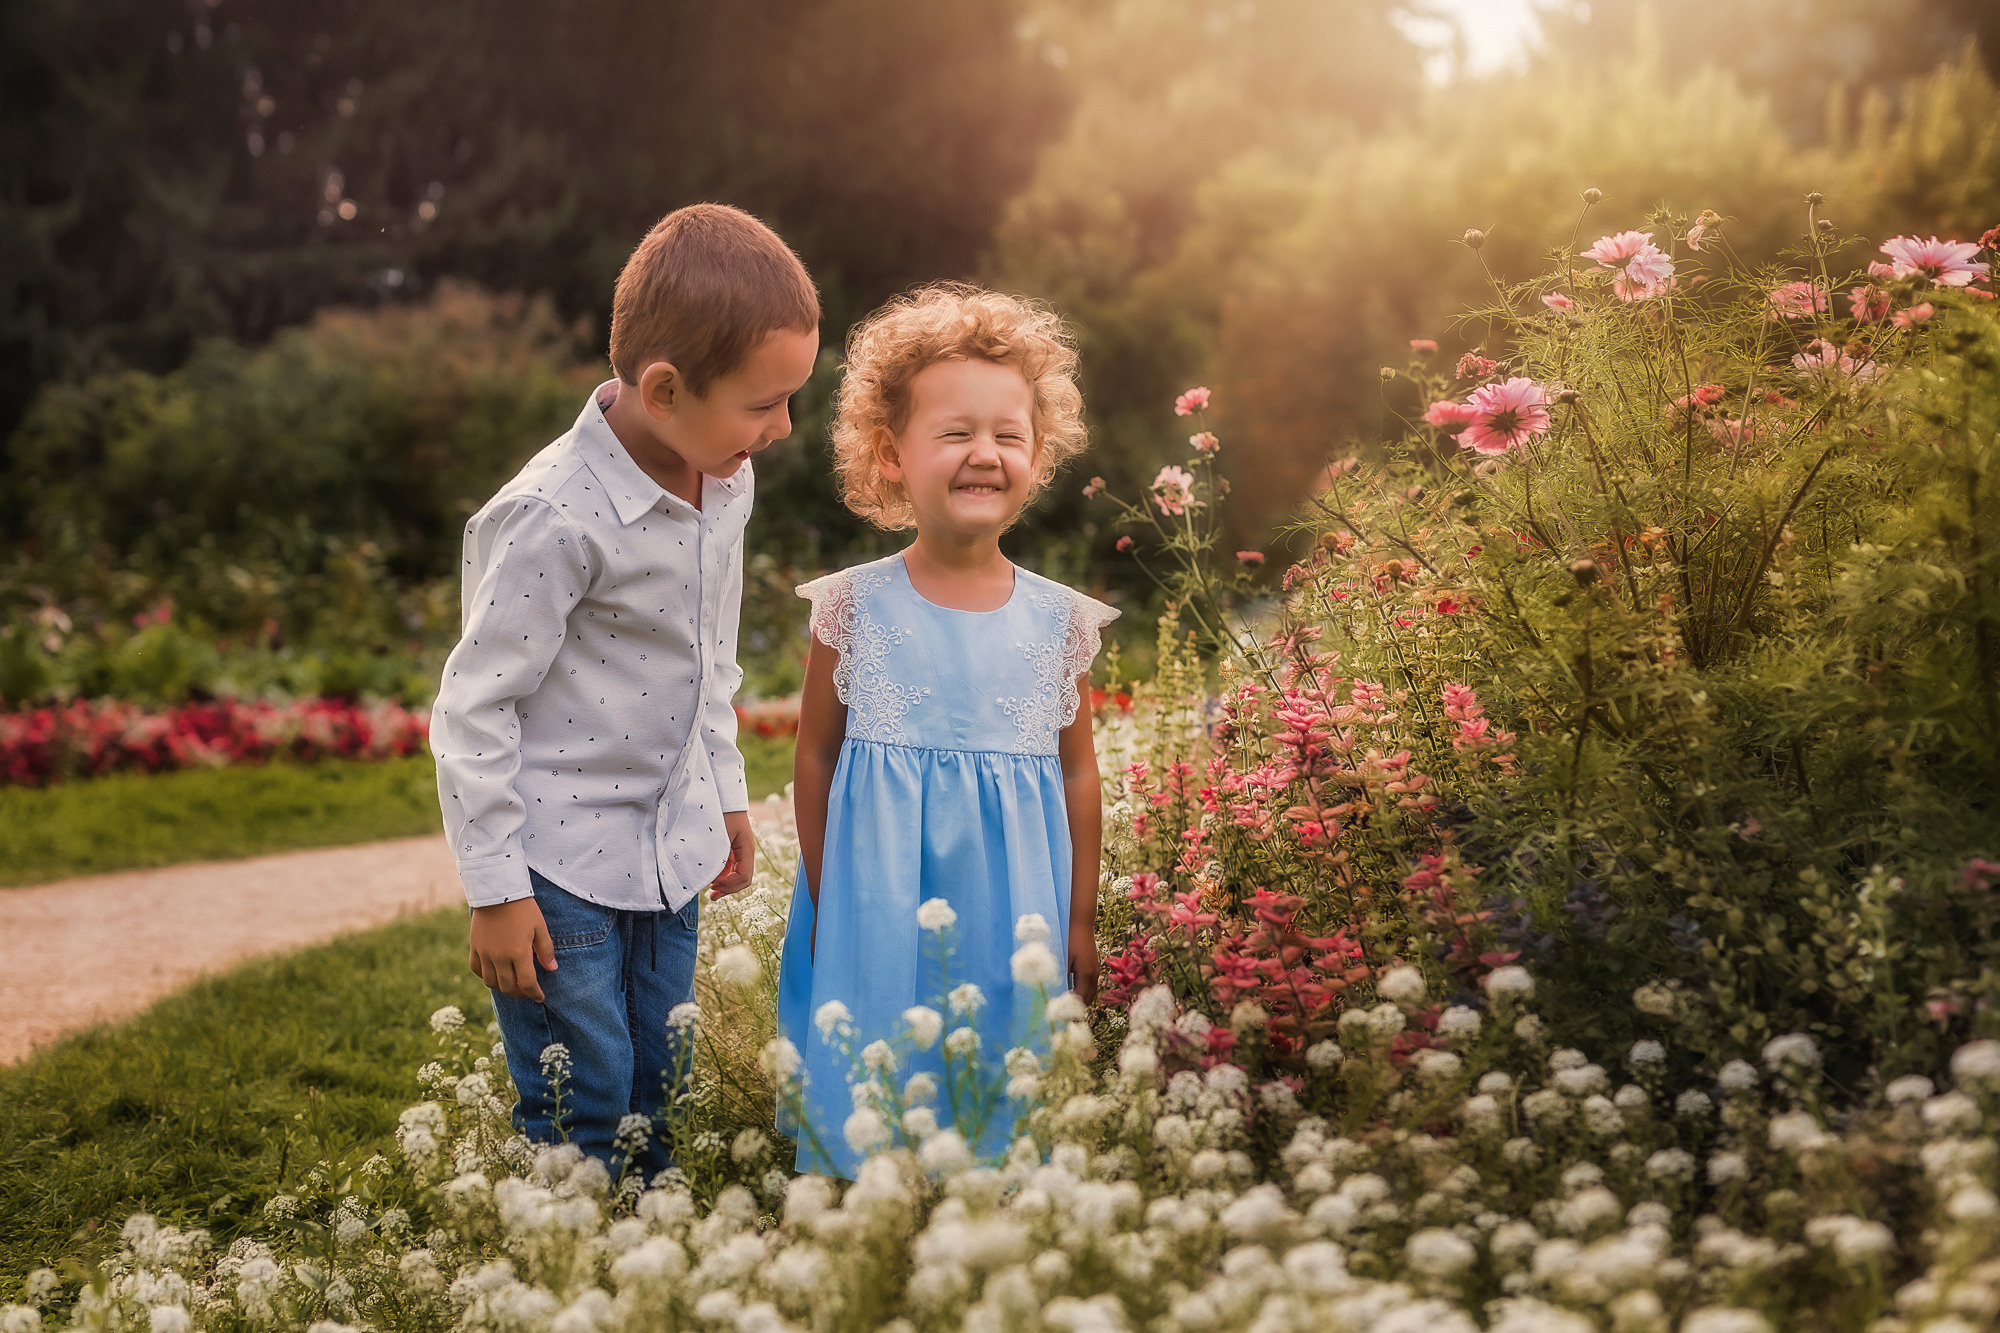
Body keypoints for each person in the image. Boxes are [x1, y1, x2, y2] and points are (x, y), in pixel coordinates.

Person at [431, 203, 819, 1178]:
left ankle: (644, 1261)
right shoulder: (553, 516)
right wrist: (495, 891)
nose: (779, 428)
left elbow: (709, 656)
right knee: (586, 1095)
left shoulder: (721, 478)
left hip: (668, 847)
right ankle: (568, 1272)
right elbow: (474, 706)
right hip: (559, 866)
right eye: (762, 402)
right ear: (664, 387)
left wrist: (724, 794)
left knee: (660, 1077)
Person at [776, 283, 1116, 1178]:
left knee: (1003, 1073)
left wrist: (1079, 917)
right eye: (955, 432)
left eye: (1009, 435)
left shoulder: (1060, 624)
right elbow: (814, 754)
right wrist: (826, 891)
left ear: (1037, 458)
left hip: (1016, 900)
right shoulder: (851, 607)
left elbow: (1079, 773)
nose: (984, 454)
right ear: (890, 456)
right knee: (881, 1070)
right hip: (877, 896)